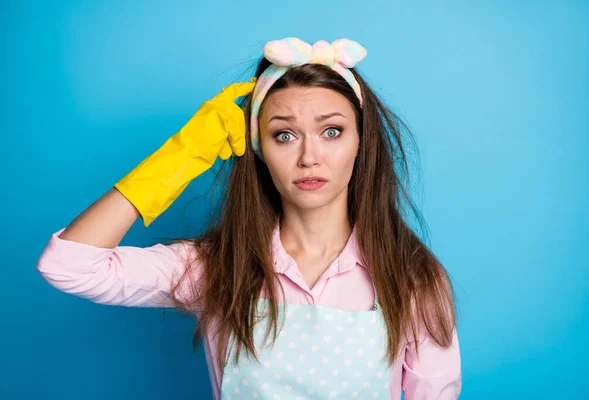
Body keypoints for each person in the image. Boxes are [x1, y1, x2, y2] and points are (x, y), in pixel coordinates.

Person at [37, 37, 462, 399]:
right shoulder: (217, 266)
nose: (309, 156)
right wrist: (177, 159)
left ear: (361, 143)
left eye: (331, 131)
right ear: (258, 149)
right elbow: (69, 266)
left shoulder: (413, 279)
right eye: (284, 134)